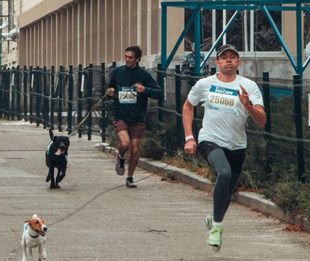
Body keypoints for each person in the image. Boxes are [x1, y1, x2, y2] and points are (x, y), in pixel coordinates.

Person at [182, 44, 267, 250]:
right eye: (224, 57)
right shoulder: (205, 84)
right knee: (224, 173)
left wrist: (248, 106)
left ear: (238, 62)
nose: (229, 60)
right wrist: (189, 137)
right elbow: (188, 105)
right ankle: (217, 228)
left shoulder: (248, 86)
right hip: (210, 140)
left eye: (233, 57)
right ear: (217, 63)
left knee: (227, 191)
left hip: (237, 145)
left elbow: (262, 120)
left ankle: (214, 218)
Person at [105, 45, 162, 188]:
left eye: (130, 57)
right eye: (126, 57)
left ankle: (130, 177)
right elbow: (110, 88)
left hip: (137, 117)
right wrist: (110, 91)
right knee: (124, 143)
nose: (127, 59)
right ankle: (121, 157)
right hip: (121, 115)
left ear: (137, 59)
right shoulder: (118, 72)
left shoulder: (143, 75)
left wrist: (145, 89)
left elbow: (158, 92)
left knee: (135, 148)